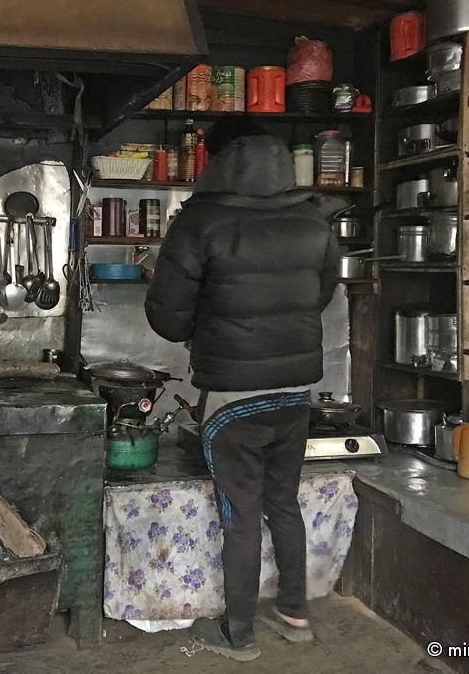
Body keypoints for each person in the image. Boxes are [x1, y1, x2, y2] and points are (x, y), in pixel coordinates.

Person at [144, 118, 340, 662]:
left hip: (234, 397)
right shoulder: (314, 218)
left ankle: (240, 634)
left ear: (218, 159)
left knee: (241, 514)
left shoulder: (199, 221)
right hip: (295, 390)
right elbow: (320, 295)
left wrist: (213, 324)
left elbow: (168, 318)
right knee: (284, 503)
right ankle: (296, 613)